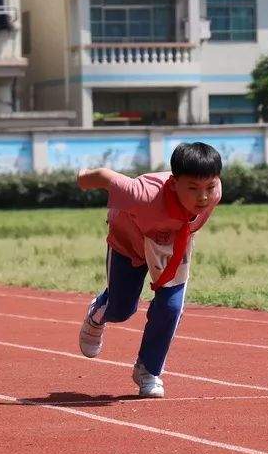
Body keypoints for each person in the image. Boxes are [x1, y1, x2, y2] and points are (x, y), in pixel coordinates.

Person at [76, 142, 222, 398]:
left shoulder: (215, 192)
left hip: (171, 245)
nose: (203, 197)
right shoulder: (143, 193)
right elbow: (102, 177)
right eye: (193, 188)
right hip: (128, 241)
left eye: (209, 187)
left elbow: (204, 195)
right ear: (174, 183)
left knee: (171, 307)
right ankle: (98, 313)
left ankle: (148, 370)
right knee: (121, 310)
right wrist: (81, 178)